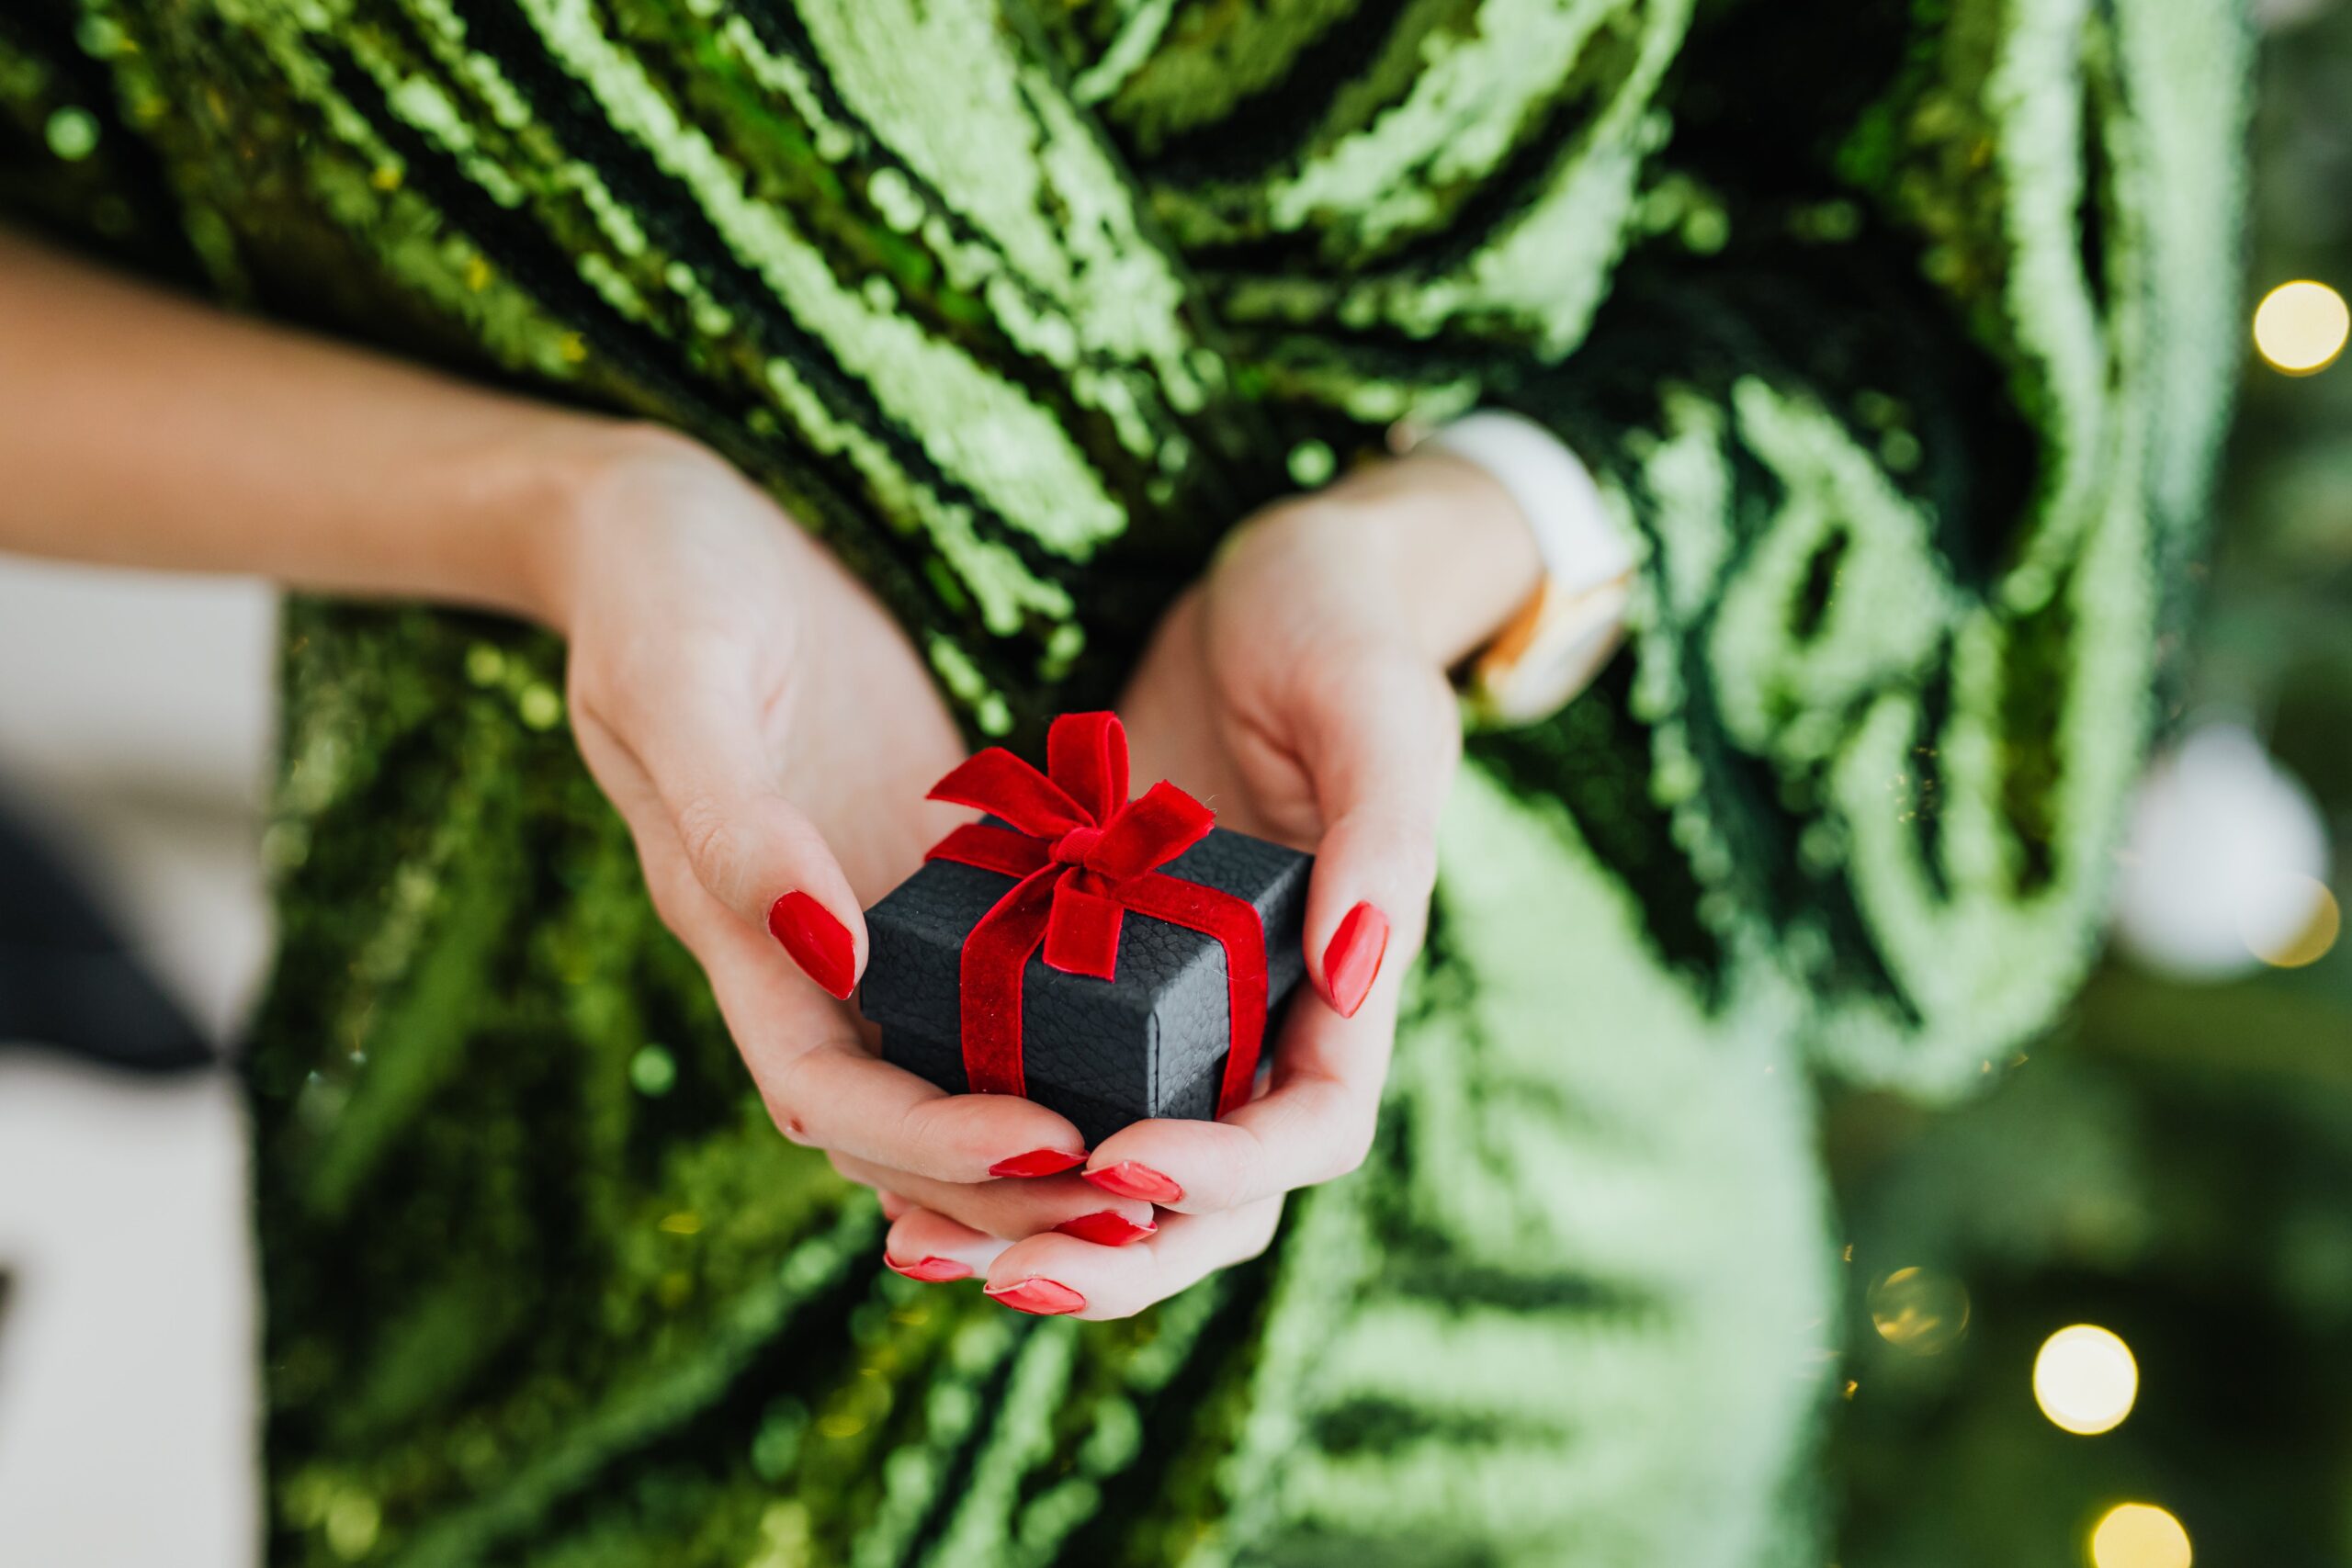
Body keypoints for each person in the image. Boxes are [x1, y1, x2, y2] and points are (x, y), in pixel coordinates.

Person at [0, 0, 2246, 1562]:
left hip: (1503, 1294)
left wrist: (1420, 549)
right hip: (553, 1203)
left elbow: (1940, 308)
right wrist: (553, 508)